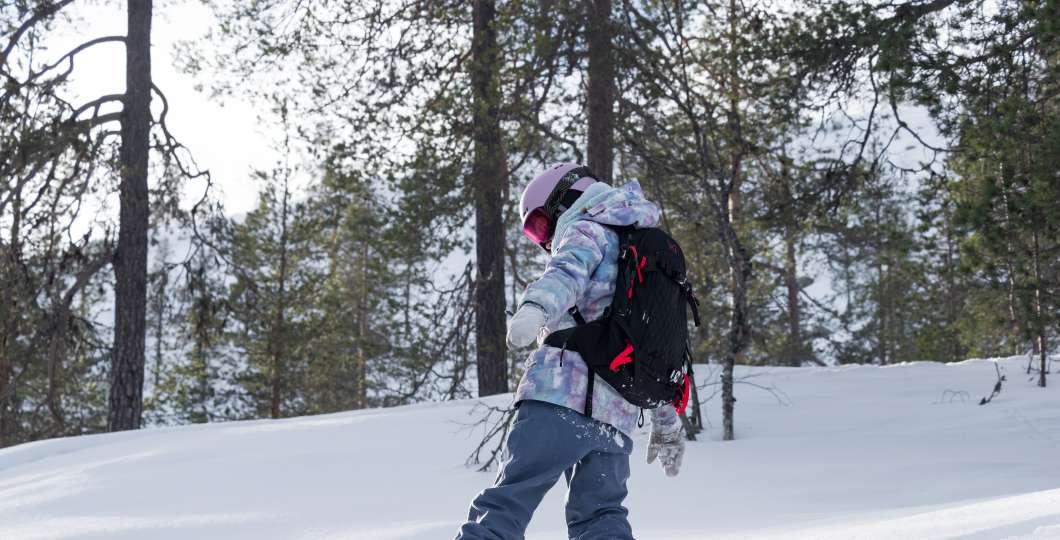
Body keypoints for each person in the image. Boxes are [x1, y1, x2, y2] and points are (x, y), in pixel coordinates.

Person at [456, 163, 686, 540]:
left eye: (541, 225)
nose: (544, 241)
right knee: (602, 517)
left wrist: (535, 309)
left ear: (568, 198)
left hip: (559, 399)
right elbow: (655, 346)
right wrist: (666, 418)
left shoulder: (586, 229)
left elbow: (565, 273)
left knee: (506, 502)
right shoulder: (641, 250)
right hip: (614, 420)